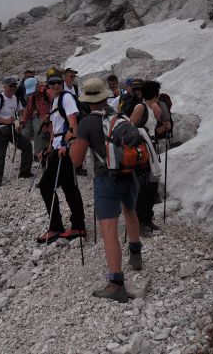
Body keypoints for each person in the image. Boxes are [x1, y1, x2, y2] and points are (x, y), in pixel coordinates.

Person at [70, 77, 143, 303]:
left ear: (86, 100)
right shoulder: (117, 114)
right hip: (129, 173)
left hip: (106, 178)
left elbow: (76, 159)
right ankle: (135, 255)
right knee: (130, 211)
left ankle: (116, 283)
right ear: (103, 95)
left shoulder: (87, 123)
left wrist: (73, 140)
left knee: (109, 228)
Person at [36, 69, 86, 243]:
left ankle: (65, 227)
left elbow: (73, 122)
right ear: (47, 85)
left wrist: (66, 144)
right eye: (52, 83)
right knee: (67, 187)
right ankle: (75, 226)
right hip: (57, 148)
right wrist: (48, 148)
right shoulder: (55, 101)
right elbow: (56, 128)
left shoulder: (66, 98)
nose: (56, 85)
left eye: (58, 82)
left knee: (48, 186)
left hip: (65, 149)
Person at [129, 81, 171, 237]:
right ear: (155, 94)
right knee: (144, 186)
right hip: (142, 150)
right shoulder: (140, 108)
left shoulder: (150, 109)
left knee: (152, 185)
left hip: (150, 148)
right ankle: (140, 223)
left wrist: (163, 129)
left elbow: (152, 131)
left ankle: (147, 219)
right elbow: (129, 127)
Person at [0, 77, 33, 188]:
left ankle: (25, 172)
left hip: (11, 129)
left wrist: (22, 123)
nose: (13, 88)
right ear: (5, 86)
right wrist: (6, 121)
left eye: (14, 86)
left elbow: (22, 112)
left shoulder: (15, 98)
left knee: (27, 146)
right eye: (10, 86)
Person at [19, 77, 51, 165]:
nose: (33, 92)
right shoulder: (33, 97)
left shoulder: (48, 92)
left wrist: (49, 114)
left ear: (38, 85)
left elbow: (58, 106)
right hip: (45, 126)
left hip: (54, 126)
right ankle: (45, 165)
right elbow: (28, 111)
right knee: (45, 147)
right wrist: (22, 123)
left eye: (33, 90)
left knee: (52, 146)